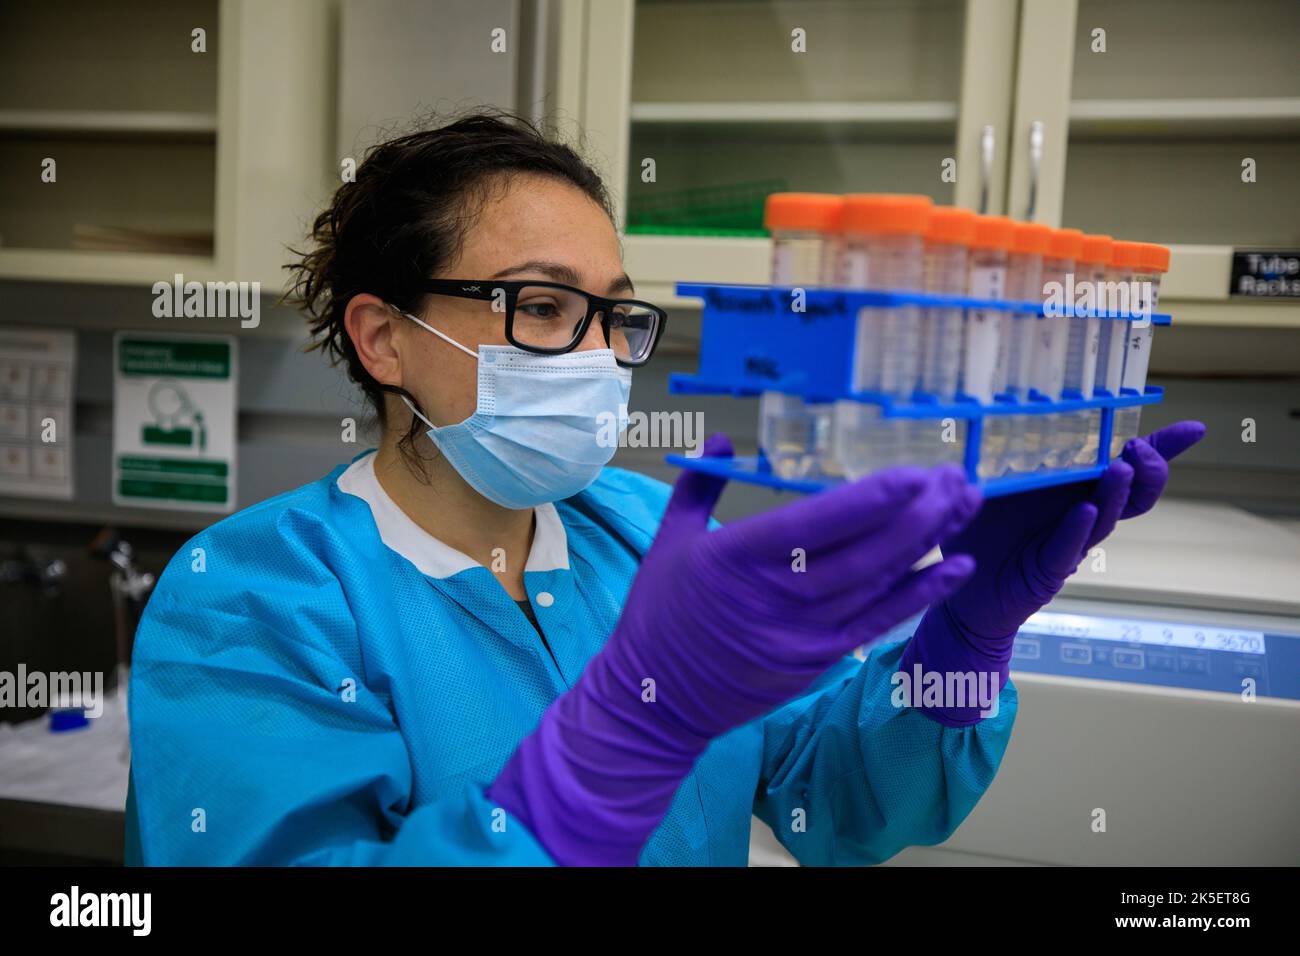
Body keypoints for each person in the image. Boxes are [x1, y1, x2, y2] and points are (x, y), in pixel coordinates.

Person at [124, 110, 1204, 866]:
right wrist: (613, 750)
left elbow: (837, 804)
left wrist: (959, 646)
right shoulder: (251, 597)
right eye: (542, 306)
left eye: (615, 314)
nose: (597, 352)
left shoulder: (644, 533)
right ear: (383, 338)